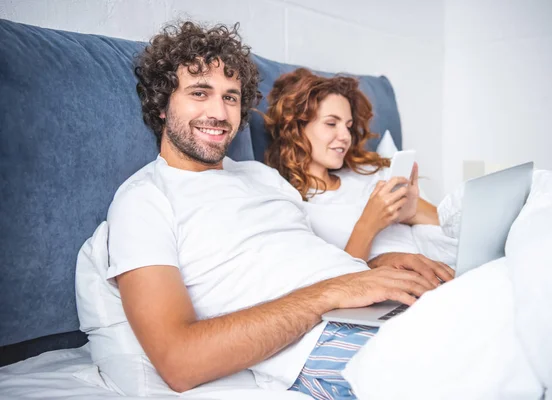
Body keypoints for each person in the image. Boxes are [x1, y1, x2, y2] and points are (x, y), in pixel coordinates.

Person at [82, 21, 453, 399]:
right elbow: (179, 362)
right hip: (320, 340)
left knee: (499, 309)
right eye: (199, 92)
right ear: (162, 105)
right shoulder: (144, 200)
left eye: (230, 97)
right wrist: (332, 292)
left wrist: (380, 264)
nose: (220, 112)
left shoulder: (262, 177)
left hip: (373, 309)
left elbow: (310, 264)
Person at [264, 68, 452, 263]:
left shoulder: (370, 174)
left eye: (348, 125)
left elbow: (453, 226)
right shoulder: (293, 202)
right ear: (296, 128)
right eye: (331, 123)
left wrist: (409, 214)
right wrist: (369, 223)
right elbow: (338, 283)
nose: (345, 136)